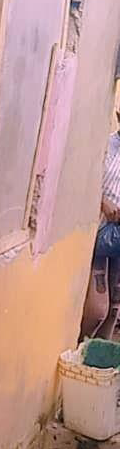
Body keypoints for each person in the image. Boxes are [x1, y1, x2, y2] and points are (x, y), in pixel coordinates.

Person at [81, 111, 120, 340]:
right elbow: (83, 180)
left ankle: (100, 357)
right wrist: (102, 201)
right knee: (97, 311)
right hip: (99, 232)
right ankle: (82, 347)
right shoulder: (104, 146)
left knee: (114, 308)